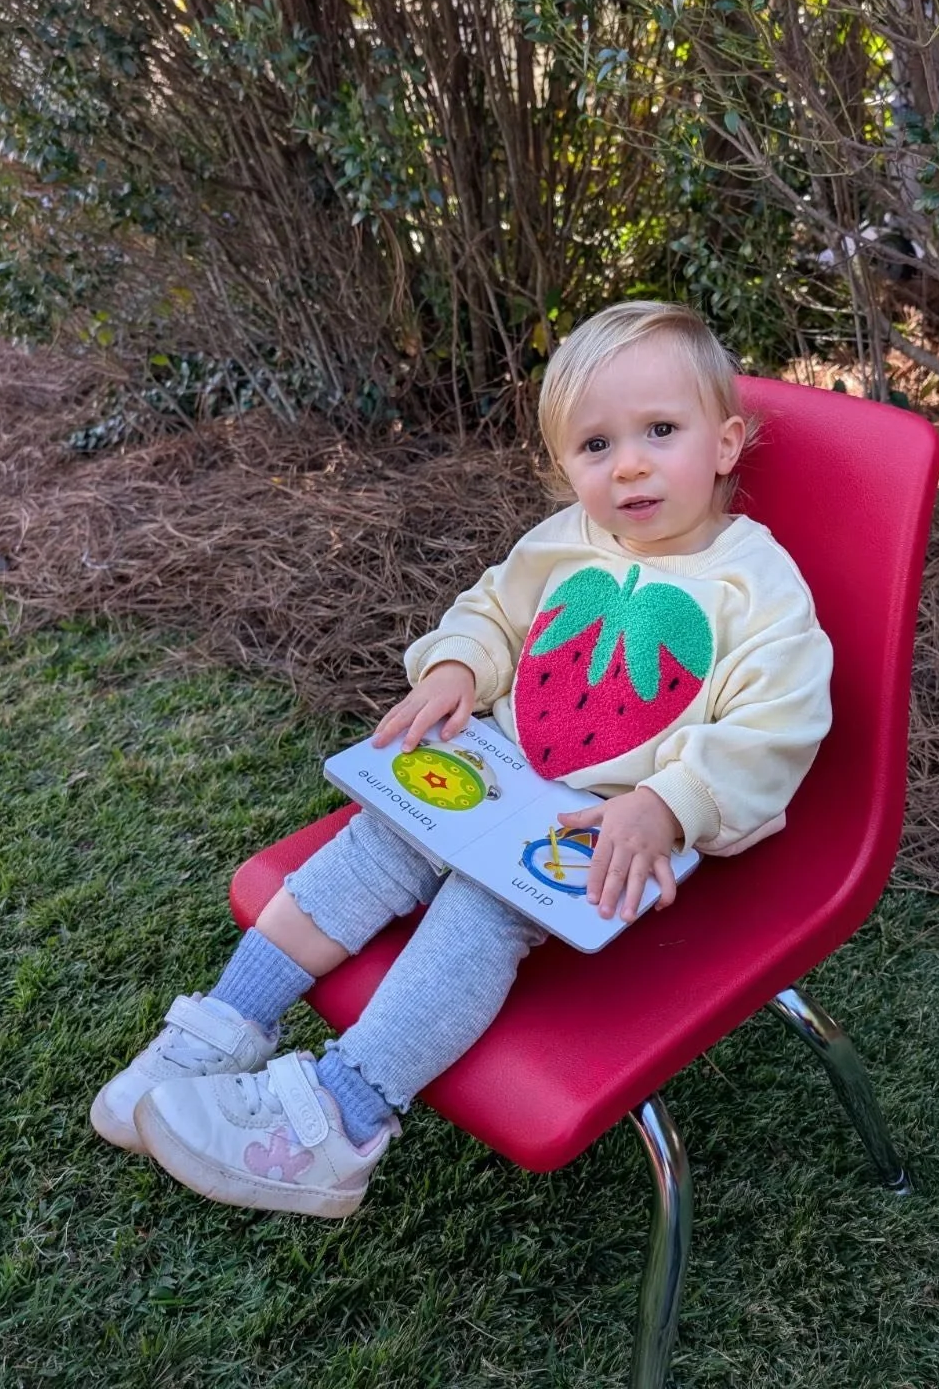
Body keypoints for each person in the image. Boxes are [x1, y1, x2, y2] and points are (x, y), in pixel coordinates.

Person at [90, 301, 834, 1218]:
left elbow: (780, 722)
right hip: (501, 771)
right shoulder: (565, 542)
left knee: (482, 911)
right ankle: (229, 1019)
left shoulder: (755, 586)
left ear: (723, 445)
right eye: (594, 446)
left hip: (607, 828)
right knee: (380, 839)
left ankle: (336, 1123)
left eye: (660, 432)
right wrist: (456, 666)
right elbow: (491, 611)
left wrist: (672, 802)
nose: (629, 463)